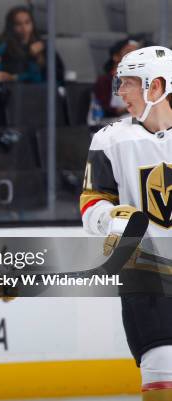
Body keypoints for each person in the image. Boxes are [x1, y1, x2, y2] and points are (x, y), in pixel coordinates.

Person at [80, 46, 172, 401]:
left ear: (157, 86)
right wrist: (110, 217)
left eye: (130, 83)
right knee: (162, 377)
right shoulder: (109, 139)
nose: (120, 92)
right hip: (146, 277)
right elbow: (91, 204)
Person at [0, 5, 64, 84]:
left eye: (27, 22)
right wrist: (11, 77)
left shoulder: (42, 46)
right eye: (18, 24)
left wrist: (42, 58)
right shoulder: (2, 45)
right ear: (11, 27)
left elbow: (59, 75)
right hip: (14, 91)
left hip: (41, 91)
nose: (24, 28)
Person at [93, 37, 141, 119]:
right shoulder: (106, 80)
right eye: (128, 52)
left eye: (136, 52)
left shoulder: (139, 79)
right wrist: (129, 108)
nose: (134, 56)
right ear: (116, 57)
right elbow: (104, 109)